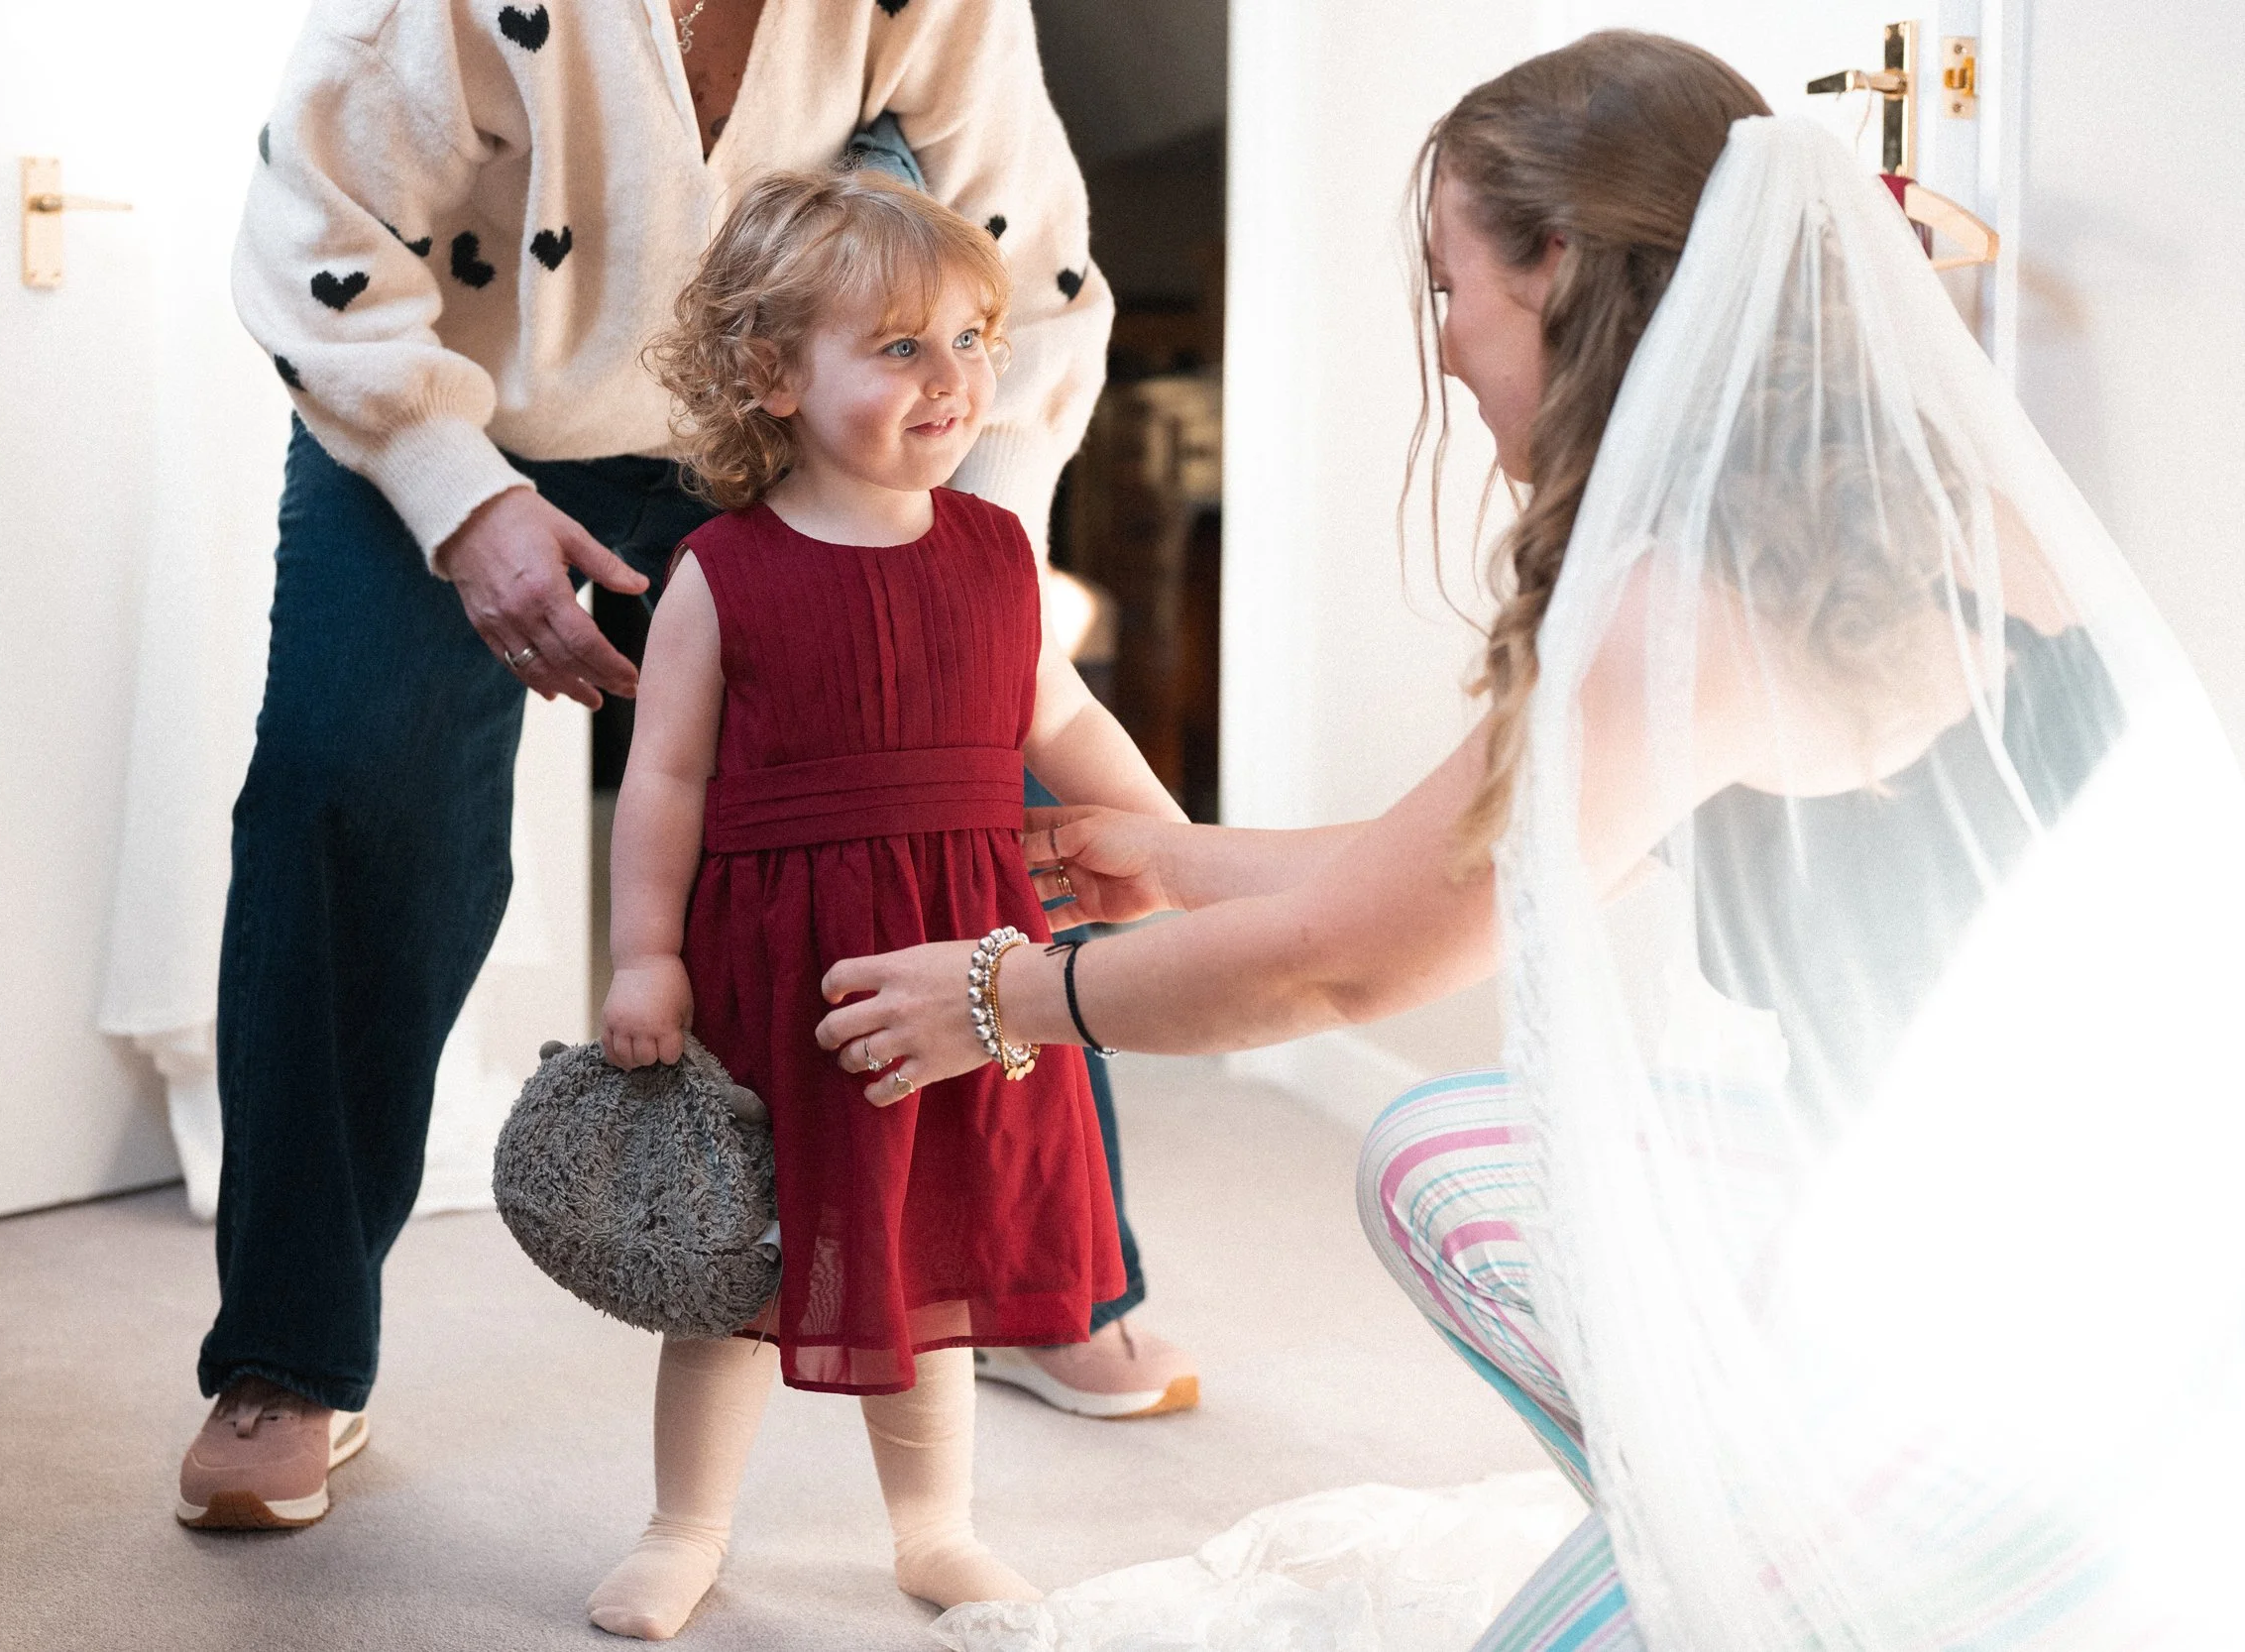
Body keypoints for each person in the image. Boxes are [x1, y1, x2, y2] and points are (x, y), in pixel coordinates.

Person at [815, 31, 2244, 1652]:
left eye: (1448, 285)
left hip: (2048, 1349)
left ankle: (1852, 1558)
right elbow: (1459, 859)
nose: (1439, 347)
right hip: (2068, 1235)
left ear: (1558, 265)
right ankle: (1786, 1516)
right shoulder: (1867, 506)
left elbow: (1345, 958)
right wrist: (1175, 859)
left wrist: (1003, 997)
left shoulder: (1692, 599)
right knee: (1434, 1156)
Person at [175, 0, 1198, 1533]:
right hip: (464, 398)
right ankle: (291, 1351)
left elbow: (1024, 254)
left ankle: (1045, 1271)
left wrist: (963, 579)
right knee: (345, 790)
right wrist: (461, 500)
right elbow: (315, 224)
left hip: (790, 395)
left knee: (980, 773)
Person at [586, 167, 1183, 1640]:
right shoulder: (722, 572)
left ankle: (935, 1528)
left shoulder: (998, 553)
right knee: (741, 1262)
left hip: (970, 964)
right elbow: (660, 782)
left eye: (974, 340)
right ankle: (685, 1524)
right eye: (903, 346)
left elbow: (1061, 717)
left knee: (928, 1251)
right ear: (772, 374)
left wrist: (1170, 838)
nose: (955, 379)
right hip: (784, 970)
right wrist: (645, 958)